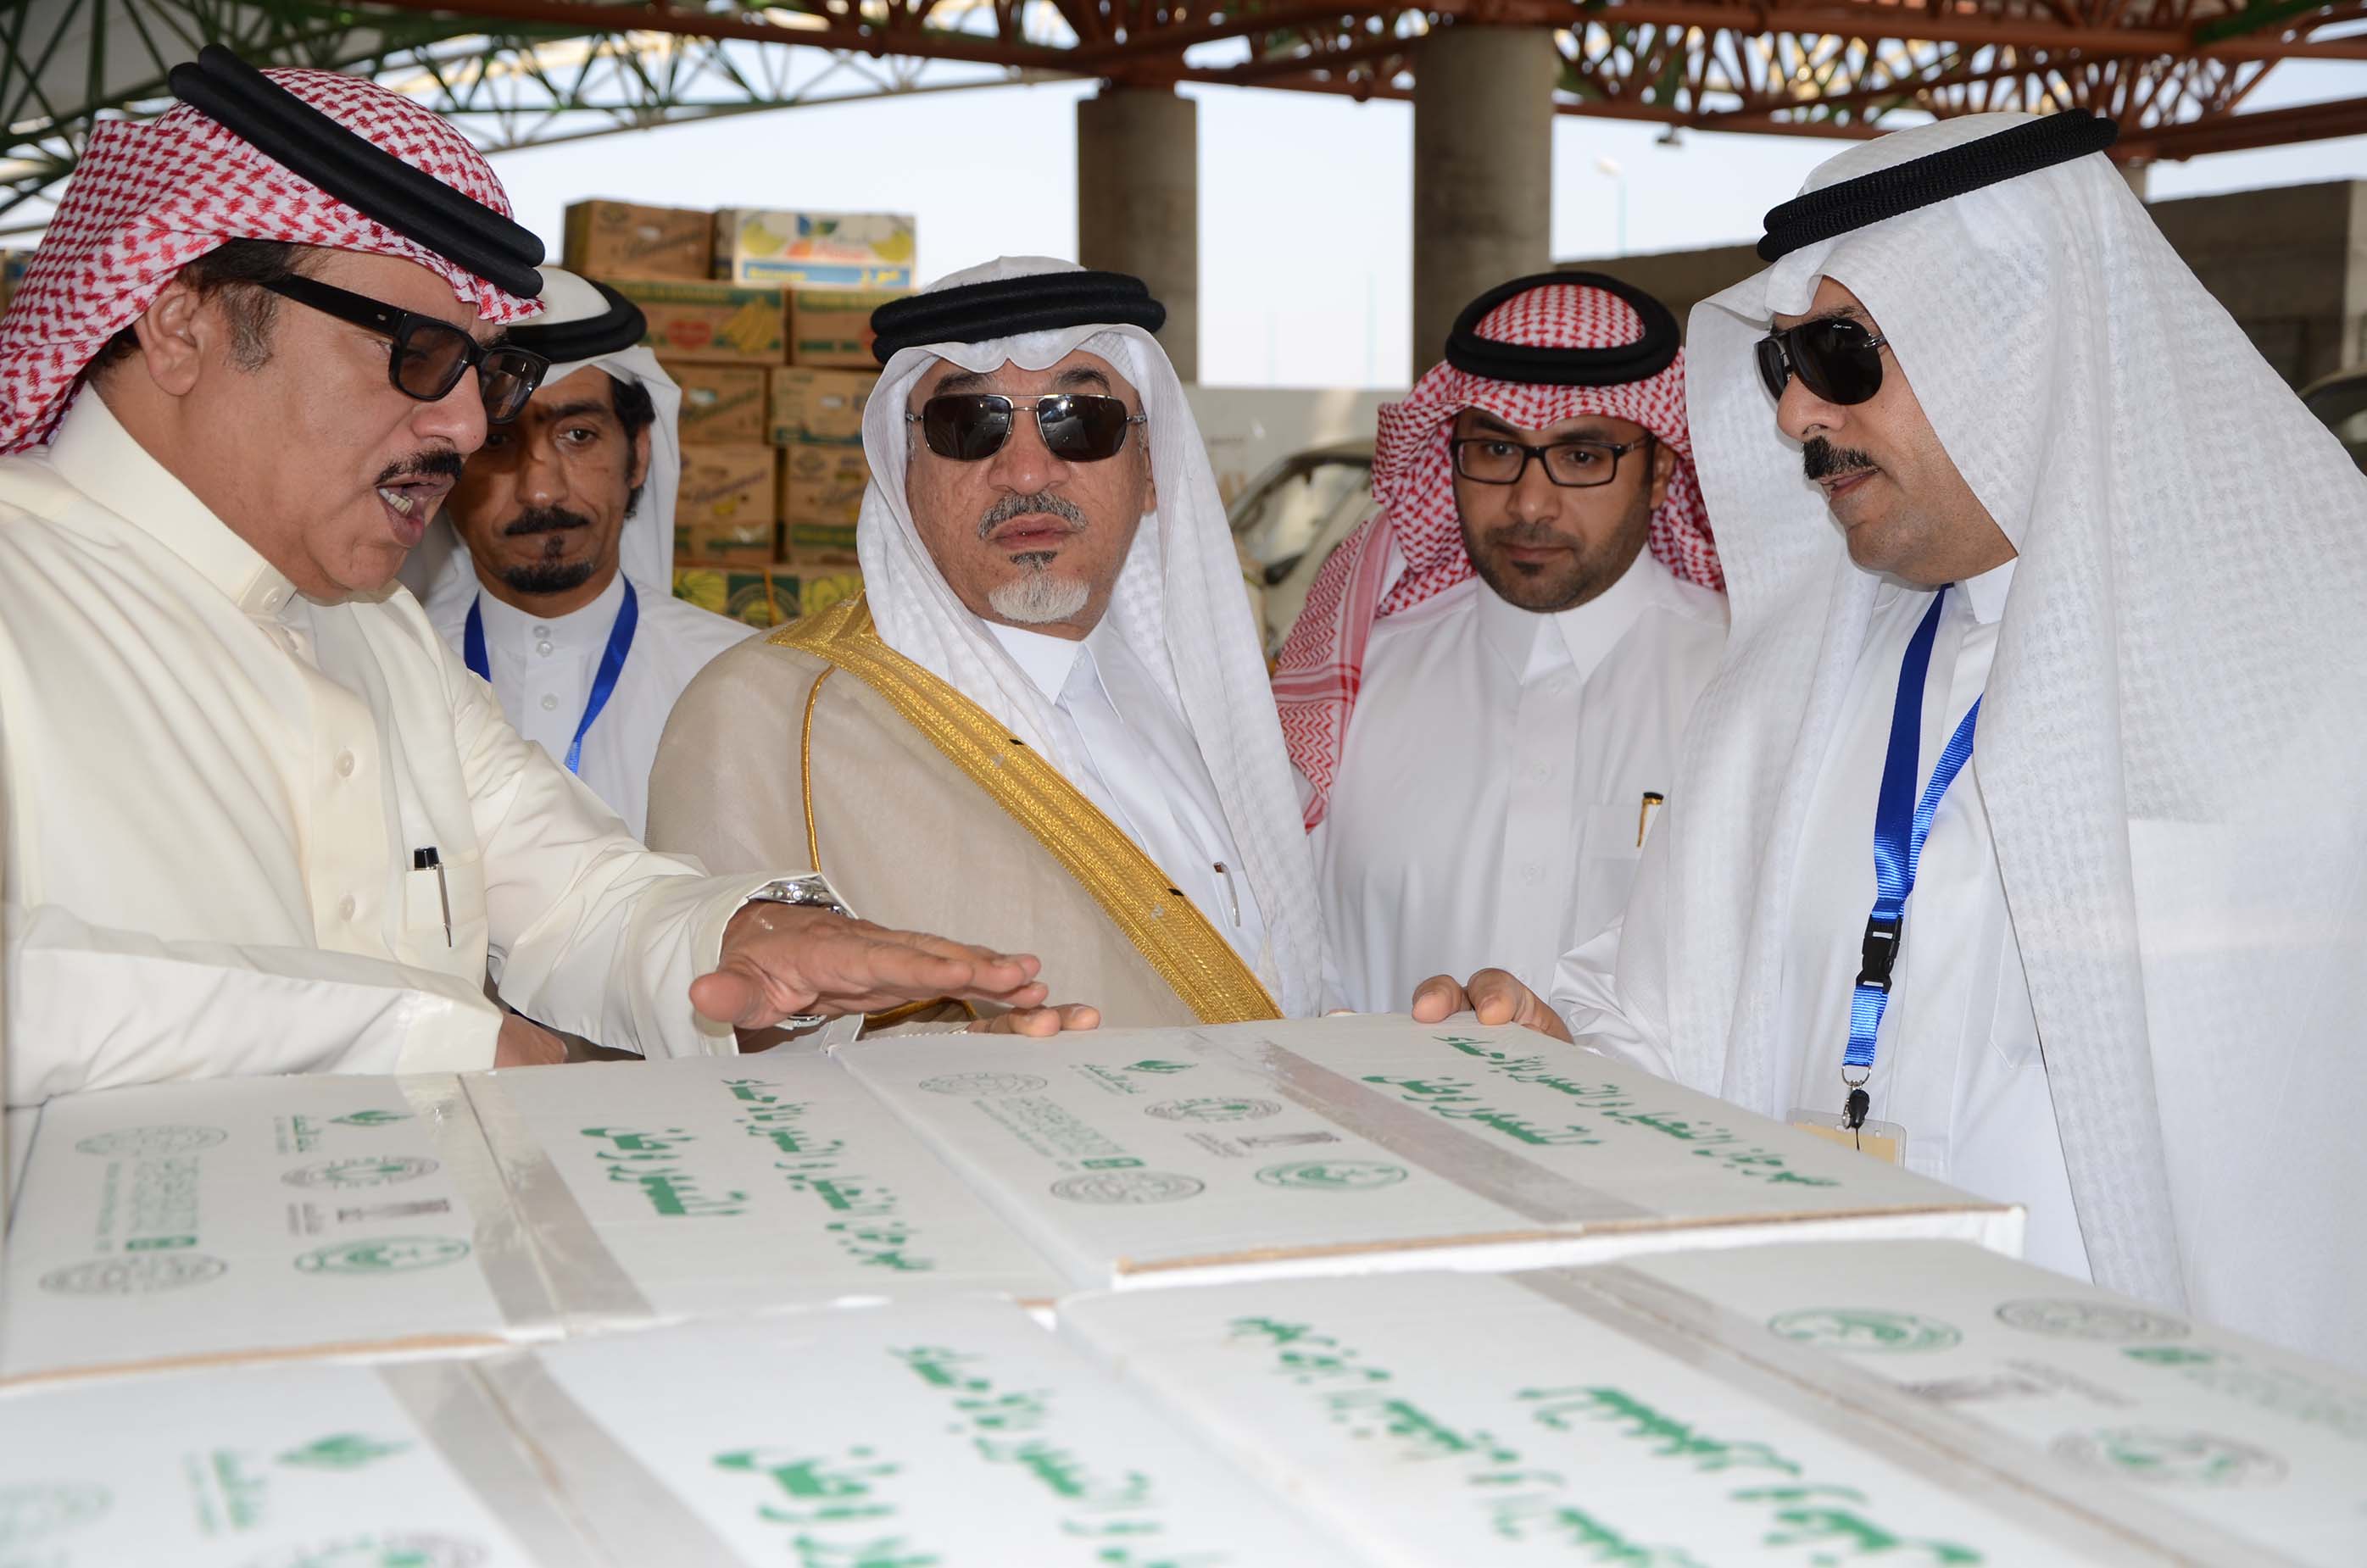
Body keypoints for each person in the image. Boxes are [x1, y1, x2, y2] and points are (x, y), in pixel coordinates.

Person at [1414, 111, 2367, 1371]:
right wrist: (1564, 1059)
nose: (1795, 413)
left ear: (2019, 341)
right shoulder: (1794, 693)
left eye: (1842, 354)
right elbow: (1681, 1021)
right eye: (1783, 363)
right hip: (1815, 1383)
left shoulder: (2313, 678)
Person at [0, 47, 1050, 1106]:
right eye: (415, 353)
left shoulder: (377, 635)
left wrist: (752, 940)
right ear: (186, 322)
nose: (466, 427)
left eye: (483, 373)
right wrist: (447, 1041)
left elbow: (573, 893)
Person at [651, 258, 1328, 1027]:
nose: (1027, 470)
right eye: (970, 425)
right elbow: (714, 1041)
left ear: (1150, 471)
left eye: (1081, 419)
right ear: (903, 471)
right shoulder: (762, 718)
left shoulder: (1210, 711)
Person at [1273, 273, 1724, 1012]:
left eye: (1582, 457)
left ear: (1660, 469)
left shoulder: (1742, 680)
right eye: (1494, 449)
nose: (1529, 502)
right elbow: (1294, 960)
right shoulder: (1354, 688)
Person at [420, 266, 753, 838]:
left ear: (640, 454)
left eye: (578, 435)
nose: (541, 491)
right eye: (497, 441)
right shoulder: (382, 672)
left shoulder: (741, 683)